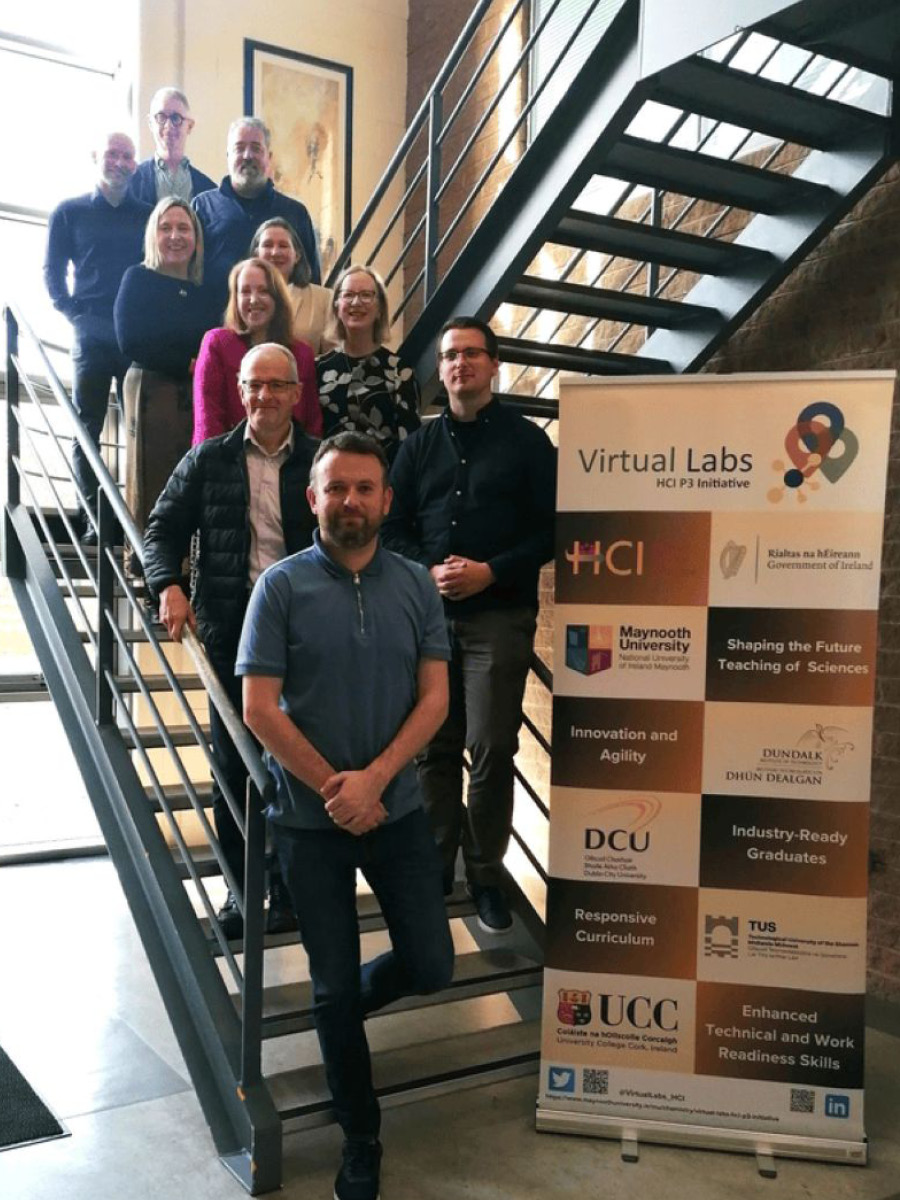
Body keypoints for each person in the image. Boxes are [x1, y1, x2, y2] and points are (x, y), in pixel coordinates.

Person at [237, 431, 454, 1200]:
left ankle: (339, 1014)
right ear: (312, 497)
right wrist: (338, 786)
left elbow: (436, 698)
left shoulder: (415, 586)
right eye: (337, 489)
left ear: (386, 500)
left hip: (394, 812)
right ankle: (361, 1138)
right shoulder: (282, 588)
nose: (351, 501)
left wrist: (377, 781)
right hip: (308, 821)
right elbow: (258, 708)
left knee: (432, 964)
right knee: (330, 991)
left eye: (365, 488)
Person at [382, 317, 557, 934]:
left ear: (493, 365)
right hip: (429, 621)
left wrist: (490, 571)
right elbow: (392, 524)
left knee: (490, 748)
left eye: (472, 354)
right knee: (434, 748)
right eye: (450, 356)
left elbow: (553, 530)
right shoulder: (416, 447)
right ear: (443, 368)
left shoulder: (529, 443)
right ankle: (435, 871)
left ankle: (484, 873)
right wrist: (426, 570)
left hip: (498, 617)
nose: (460, 365)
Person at [143, 343, 319, 938]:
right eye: (254, 385)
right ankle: (242, 892)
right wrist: (167, 584)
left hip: (305, 633)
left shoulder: (323, 461)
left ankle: (292, 888)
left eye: (277, 385)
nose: (265, 396)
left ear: (297, 392)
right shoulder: (207, 459)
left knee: (297, 761)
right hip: (229, 631)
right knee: (233, 767)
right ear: (239, 391)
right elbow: (161, 527)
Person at [43, 131, 151, 542]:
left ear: (135, 166)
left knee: (139, 428)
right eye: (112, 153)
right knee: (86, 427)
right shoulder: (68, 211)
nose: (119, 162)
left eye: (127, 156)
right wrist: (73, 312)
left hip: (134, 334)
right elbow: (52, 272)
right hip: (90, 332)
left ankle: (137, 519)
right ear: (96, 157)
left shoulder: (147, 214)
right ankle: (94, 521)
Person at [114, 198, 220, 540]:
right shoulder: (138, 279)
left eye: (183, 228)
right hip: (152, 390)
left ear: (196, 237)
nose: (175, 236)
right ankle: (151, 567)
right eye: (166, 228)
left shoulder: (207, 290)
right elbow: (130, 340)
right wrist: (188, 363)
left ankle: (191, 566)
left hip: (197, 392)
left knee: (195, 476)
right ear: (153, 235)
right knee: (155, 479)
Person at [192, 257, 321, 445]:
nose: (253, 299)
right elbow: (207, 418)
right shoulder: (217, 343)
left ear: (277, 299)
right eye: (245, 291)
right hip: (227, 460)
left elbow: (312, 422)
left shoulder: (302, 353)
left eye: (263, 291)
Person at [193, 117, 320, 300]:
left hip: (283, 326)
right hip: (216, 324)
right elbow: (189, 275)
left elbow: (311, 283)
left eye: (256, 148)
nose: (247, 155)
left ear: (269, 157)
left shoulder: (295, 213)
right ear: (228, 156)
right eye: (239, 148)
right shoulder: (202, 208)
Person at [316, 264, 421, 462]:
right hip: (327, 483)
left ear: (380, 307)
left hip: (380, 484)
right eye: (348, 295)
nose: (356, 302)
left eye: (366, 295)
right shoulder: (318, 368)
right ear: (337, 305)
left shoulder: (399, 370)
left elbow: (409, 446)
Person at [249, 217, 335, 354]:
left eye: (283, 245)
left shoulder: (324, 299)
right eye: (267, 245)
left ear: (297, 256)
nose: (275, 252)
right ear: (256, 254)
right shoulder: (242, 297)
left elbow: (332, 357)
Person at [129, 87, 216, 206]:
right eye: (161, 117)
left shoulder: (209, 190)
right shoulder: (132, 182)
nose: (168, 126)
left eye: (176, 118)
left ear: (189, 126)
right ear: (150, 123)